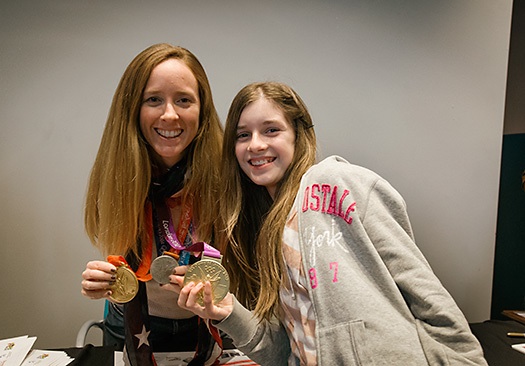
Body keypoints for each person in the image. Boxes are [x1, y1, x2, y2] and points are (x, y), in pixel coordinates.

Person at [174, 81, 488, 365]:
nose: (255, 144)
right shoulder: (265, 231)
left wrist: (468, 361)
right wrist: (226, 311)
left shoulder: (337, 183)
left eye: (271, 130)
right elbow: (283, 353)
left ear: (298, 134)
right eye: (243, 135)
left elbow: (425, 292)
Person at [80, 43, 224, 365]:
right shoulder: (118, 174)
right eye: (154, 99)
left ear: (202, 108)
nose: (169, 114)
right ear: (133, 107)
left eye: (184, 100)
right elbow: (117, 256)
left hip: (212, 322)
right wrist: (101, 280)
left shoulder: (227, 175)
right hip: (133, 322)